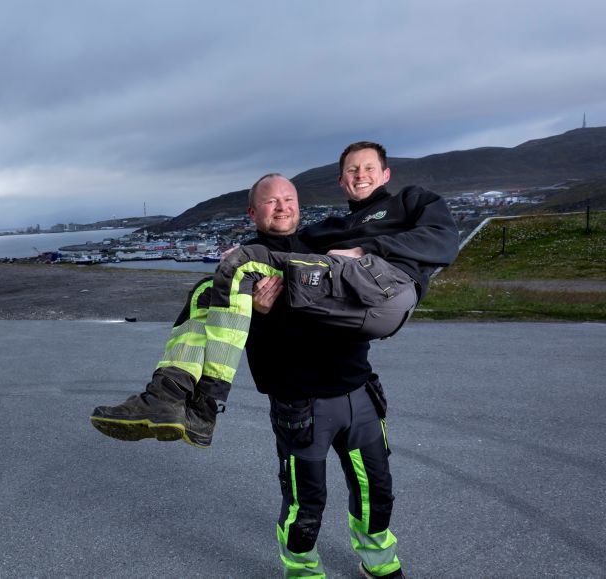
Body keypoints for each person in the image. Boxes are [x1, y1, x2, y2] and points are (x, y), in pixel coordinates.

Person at [91, 142, 460, 578]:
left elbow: (384, 264)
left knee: (376, 490)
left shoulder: (322, 242)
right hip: (299, 402)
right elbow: (234, 334)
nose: (281, 207)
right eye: (270, 201)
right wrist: (260, 313)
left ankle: (380, 563)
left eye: (289, 200)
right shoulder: (243, 263)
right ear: (253, 213)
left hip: (358, 391)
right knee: (306, 503)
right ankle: (302, 570)